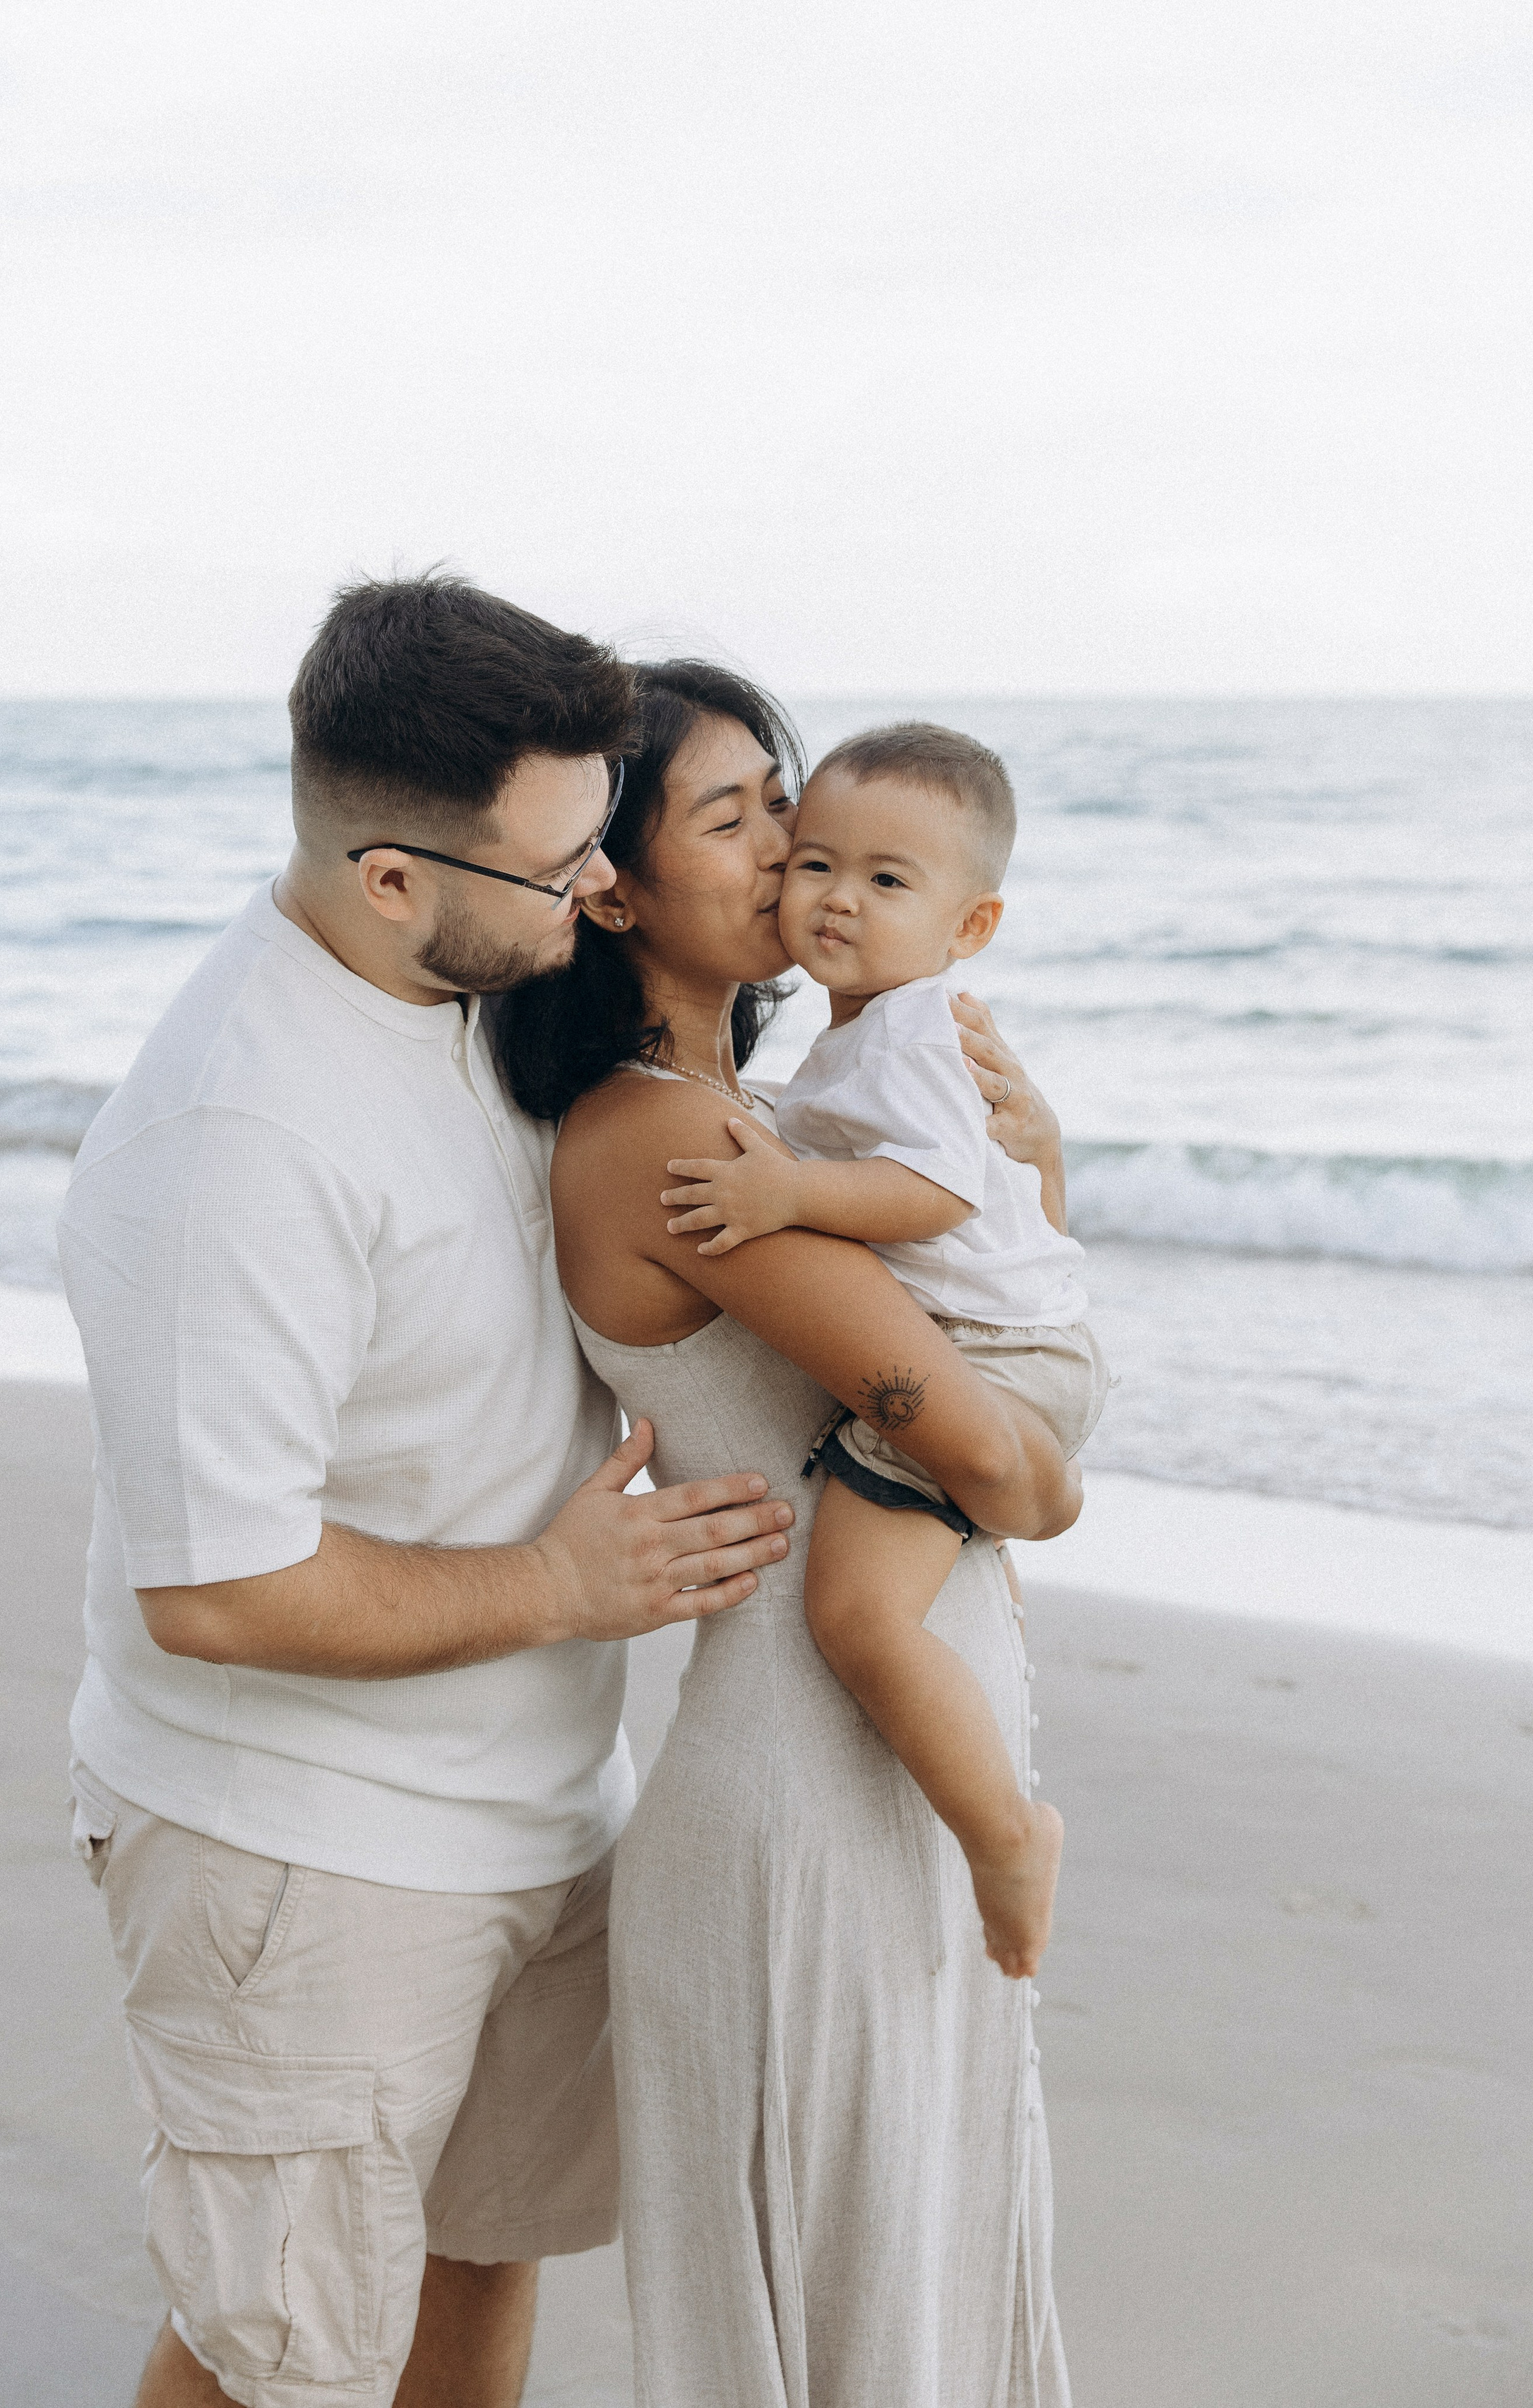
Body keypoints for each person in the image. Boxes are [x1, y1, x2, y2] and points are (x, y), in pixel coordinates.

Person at [57, 577, 799, 2408]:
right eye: (557, 866)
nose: (596, 887)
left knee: (481, 2253)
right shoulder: (236, 1136)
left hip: (537, 1809)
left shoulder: (484, 991)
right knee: (282, 2358)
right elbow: (216, 1587)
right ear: (391, 874)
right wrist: (562, 1588)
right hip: (304, 1859)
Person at [496, 663, 1080, 2404]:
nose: (788, 847)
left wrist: (1039, 1173)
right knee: (852, 2316)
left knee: (916, 2288)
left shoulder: (781, 1115)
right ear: (612, 886)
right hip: (802, 1798)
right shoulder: (665, 1138)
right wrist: (1047, 1484)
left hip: (884, 1765)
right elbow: (991, 1456)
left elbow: (988, 1306)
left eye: (785, 799)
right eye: (733, 815)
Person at [653, 721, 1108, 1981]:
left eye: (887, 879)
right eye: (817, 862)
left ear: (972, 925)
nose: (836, 896)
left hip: (995, 1354)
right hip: (1017, 1342)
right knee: (912, 1577)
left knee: (856, 1612)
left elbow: (937, 1193)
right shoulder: (872, 1035)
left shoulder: (911, 1033)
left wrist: (791, 1193)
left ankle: (1006, 1834)